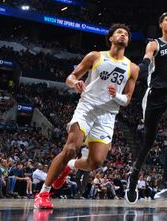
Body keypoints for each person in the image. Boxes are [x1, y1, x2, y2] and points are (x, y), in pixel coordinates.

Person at [34, 24, 139, 210]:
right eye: (119, 32)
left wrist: (117, 96)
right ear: (111, 38)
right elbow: (70, 77)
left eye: (126, 34)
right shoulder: (96, 56)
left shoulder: (132, 68)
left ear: (128, 41)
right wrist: (75, 83)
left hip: (108, 115)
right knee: (71, 148)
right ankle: (44, 192)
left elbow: (128, 99)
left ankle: (69, 166)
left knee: (95, 162)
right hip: (87, 108)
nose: (123, 35)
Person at [125, 12, 167, 203]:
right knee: (148, 141)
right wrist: (139, 68)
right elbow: (146, 59)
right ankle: (133, 179)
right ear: (161, 24)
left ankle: (163, 183)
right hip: (155, 96)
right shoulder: (154, 44)